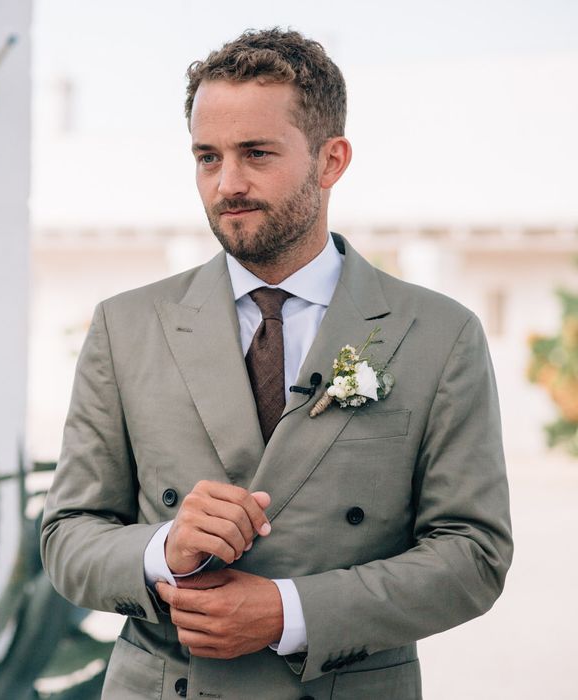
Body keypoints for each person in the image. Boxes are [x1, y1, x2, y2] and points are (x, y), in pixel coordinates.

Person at [41, 28, 512, 699]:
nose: (227, 184)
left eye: (256, 153)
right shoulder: (126, 326)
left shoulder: (438, 334)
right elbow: (67, 538)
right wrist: (162, 550)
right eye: (208, 157)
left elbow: (474, 555)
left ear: (331, 160)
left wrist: (289, 613)